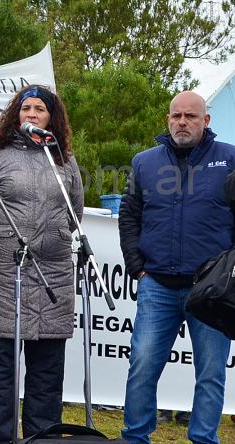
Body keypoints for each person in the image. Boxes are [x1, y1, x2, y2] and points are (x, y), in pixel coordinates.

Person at [0, 85, 83, 444]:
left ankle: (41, 439)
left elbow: (74, 212)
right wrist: (6, 242)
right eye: (26, 108)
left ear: (52, 118)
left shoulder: (64, 160)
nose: (31, 115)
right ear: (15, 115)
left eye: (40, 109)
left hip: (54, 280)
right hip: (4, 278)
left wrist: (49, 239)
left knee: (47, 378)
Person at [119, 91, 235, 444]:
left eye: (190, 116)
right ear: (167, 119)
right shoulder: (144, 162)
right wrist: (137, 266)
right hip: (158, 285)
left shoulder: (230, 160)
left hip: (211, 291)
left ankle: (203, 439)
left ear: (206, 120)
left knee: (211, 374)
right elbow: (129, 215)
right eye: (176, 116)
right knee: (141, 366)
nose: (182, 122)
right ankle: (135, 438)